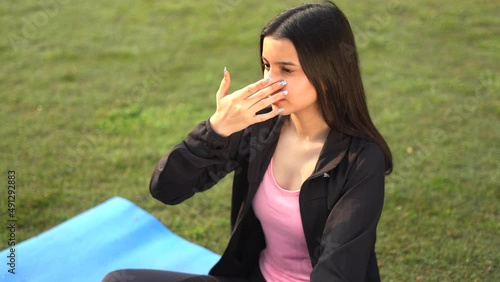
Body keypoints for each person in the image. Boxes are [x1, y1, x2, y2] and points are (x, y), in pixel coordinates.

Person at [103, 1, 392, 281]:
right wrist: (216, 130)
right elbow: (166, 189)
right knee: (120, 280)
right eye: (267, 65)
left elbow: (337, 270)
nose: (269, 81)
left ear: (328, 74)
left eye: (286, 70)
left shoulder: (361, 160)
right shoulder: (260, 127)